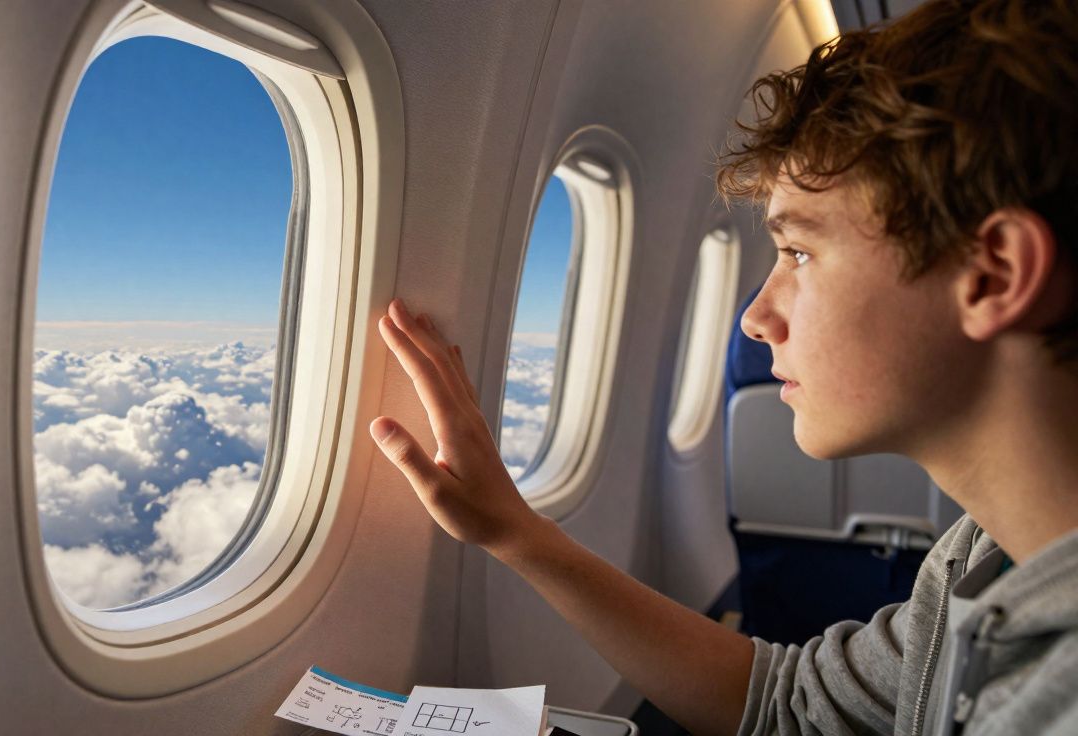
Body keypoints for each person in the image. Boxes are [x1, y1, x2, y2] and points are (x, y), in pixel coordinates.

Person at [367, 1, 1078, 734]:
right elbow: (791, 708)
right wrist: (514, 530)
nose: (755, 318)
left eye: (799, 252)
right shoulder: (981, 556)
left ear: (992, 275)